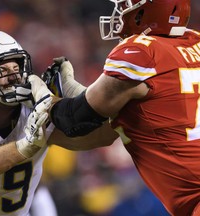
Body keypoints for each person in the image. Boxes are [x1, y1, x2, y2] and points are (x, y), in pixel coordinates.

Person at [27, 0, 200, 215]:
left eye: (125, 7)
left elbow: (74, 120)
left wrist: (40, 93)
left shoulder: (142, 54)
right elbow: (105, 129)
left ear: (145, 12)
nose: (119, 14)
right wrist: (71, 87)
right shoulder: (194, 42)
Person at [0, 30, 118, 216]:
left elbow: (102, 137)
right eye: (2, 69)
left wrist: (77, 98)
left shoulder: (35, 109)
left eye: (16, 68)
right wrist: (24, 146)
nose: (14, 76)